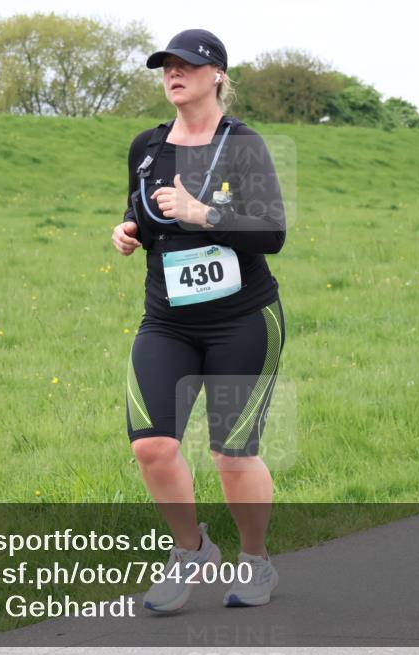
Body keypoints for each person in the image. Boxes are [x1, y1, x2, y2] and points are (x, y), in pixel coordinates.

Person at [111, 28, 287, 611]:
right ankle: (191, 550)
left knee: (232, 455)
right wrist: (128, 232)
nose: (172, 73)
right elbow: (140, 212)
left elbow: (273, 232)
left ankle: (256, 560)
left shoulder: (244, 144)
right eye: (165, 66)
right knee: (152, 448)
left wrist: (203, 213)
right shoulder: (146, 146)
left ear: (216, 75)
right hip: (167, 321)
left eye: (185, 65)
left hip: (242, 320)